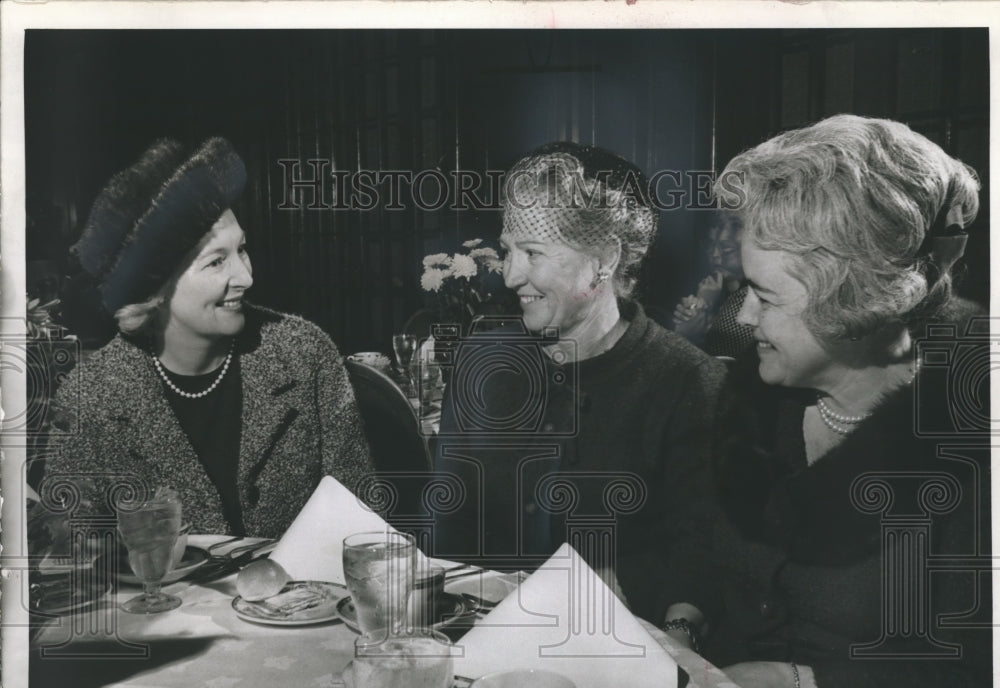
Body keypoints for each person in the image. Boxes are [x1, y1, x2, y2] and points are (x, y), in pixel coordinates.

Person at [660, 115, 992, 688]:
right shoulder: (755, 396)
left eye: (763, 296)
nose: (743, 321)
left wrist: (792, 687)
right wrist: (682, 623)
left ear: (856, 303)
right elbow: (703, 536)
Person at [431, 142, 725, 620]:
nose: (510, 275)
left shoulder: (687, 382)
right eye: (508, 250)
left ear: (603, 259)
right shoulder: (483, 360)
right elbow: (449, 521)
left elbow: (701, 556)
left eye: (533, 252)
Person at [44, 137, 374, 537]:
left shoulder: (305, 354)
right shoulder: (91, 397)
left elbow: (362, 524)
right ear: (156, 288)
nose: (246, 277)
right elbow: (75, 555)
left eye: (243, 250)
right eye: (217, 261)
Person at [671, 211, 755, 358]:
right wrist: (703, 307)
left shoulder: (745, 298)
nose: (715, 254)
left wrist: (686, 334)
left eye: (726, 248)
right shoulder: (719, 293)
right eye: (710, 246)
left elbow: (718, 360)